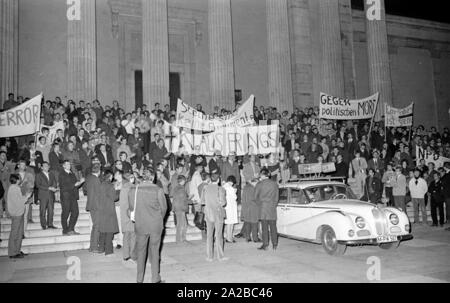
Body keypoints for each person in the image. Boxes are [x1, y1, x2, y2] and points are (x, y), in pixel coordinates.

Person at [128, 169, 167, 283]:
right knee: (155, 251)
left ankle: (139, 279)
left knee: (141, 252)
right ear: (153, 177)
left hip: (140, 225)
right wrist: (159, 218)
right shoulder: (158, 190)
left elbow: (131, 208)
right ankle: (155, 278)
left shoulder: (133, 190)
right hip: (155, 225)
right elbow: (164, 208)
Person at [201, 173, 227, 262]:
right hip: (218, 214)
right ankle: (220, 256)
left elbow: (202, 201)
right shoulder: (221, 189)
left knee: (209, 235)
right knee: (219, 235)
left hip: (208, 213)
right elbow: (223, 203)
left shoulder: (205, 188)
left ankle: (209, 256)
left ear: (210, 180)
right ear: (218, 180)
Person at [7, 174, 31, 259]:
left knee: (19, 233)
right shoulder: (14, 188)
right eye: (19, 179)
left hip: (18, 213)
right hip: (17, 214)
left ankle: (17, 251)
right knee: (15, 233)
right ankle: (12, 253)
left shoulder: (13, 188)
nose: (20, 180)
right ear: (16, 180)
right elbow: (19, 201)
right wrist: (26, 197)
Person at [255, 168, 279, 251]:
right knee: (273, 227)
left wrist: (260, 204)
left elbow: (255, 197)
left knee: (264, 228)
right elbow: (276, 198)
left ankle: (265, 245)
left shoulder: (259, 184)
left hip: (263, 208)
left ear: (263, 175)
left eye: (260, 174)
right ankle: (275, 244)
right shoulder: (274, 184)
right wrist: (273, 205)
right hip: (272, 208)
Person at [59, 160, 85, 235]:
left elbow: (76, 185)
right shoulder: (61, 174)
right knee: (66, 213)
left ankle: (70, 229)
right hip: (65, 196)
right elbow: (64, 186)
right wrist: (77, 183)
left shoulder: (72, 174)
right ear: (63, 166)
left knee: (75, 212)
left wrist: (80, 182)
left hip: (73, 196)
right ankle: (65, 230)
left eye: (69, 164)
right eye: (67, 164)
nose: (69, 165)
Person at [98, 170, 119, 256]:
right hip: (109, 210)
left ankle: (101, 248)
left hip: (102, 209)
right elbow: (114, 198)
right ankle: (108, 251)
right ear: (110, 177)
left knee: (103, 230)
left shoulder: (101, 184)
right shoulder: (110, 185)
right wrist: (118, 191)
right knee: (109, 230)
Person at [84, 163, 102, 252]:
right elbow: (99, 194)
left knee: (95, 226)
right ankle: (94, 247)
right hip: (96, 205)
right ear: (99, 170)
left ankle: (92, 246)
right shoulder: (96, 179)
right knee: (97, 226)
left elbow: (85, 190)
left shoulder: (89, 178)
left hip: (91, 204)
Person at [35, 162, 58, 229]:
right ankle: (43, 225)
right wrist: (48, 188)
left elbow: (54, 182)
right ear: (41, 167)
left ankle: (50, 224)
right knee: (43, 210)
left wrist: (54, 187)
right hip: (43, 195)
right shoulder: (38, 175)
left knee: (51, 210)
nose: (47, 167)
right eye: (45, 166)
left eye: (47, 166)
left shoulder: (51, 174)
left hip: (50, 194)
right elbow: (38, 185)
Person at [119, 172, 136, 262]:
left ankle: (126, 255)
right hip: (131, 213)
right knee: (133, 235)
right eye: (132, 177)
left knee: (126, 236)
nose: (134, 179)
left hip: (124, 214)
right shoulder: (131, 187)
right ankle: (132, 255)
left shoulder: (123, 188)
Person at [171, 175, 191, 244]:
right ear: (182, 181)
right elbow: (184, 199)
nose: (185, 182)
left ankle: (182, 239)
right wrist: (191, 201)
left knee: (182, 224)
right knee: (181, 224)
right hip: (180, 208)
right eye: (184, 181)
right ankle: (180, 240)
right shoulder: (181, 189)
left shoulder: (176, 188)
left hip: (177, 208)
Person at [241, 178, 261, 243]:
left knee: (247, 223)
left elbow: (243, 198)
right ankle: (255, 238)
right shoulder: (254, 188)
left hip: (246, 207)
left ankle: (248, 238)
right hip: (254, 208)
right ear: (254, 182)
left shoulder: (245, 187)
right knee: (255, 223)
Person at [223, 175, 238, 243]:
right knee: (231, 223)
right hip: (231, 207)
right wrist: (235, 191)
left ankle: (228, 237)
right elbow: (235, 197)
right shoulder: (231, 188)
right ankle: (229, 238)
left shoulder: (223, 186)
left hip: (226, 207)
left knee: (228, 223)